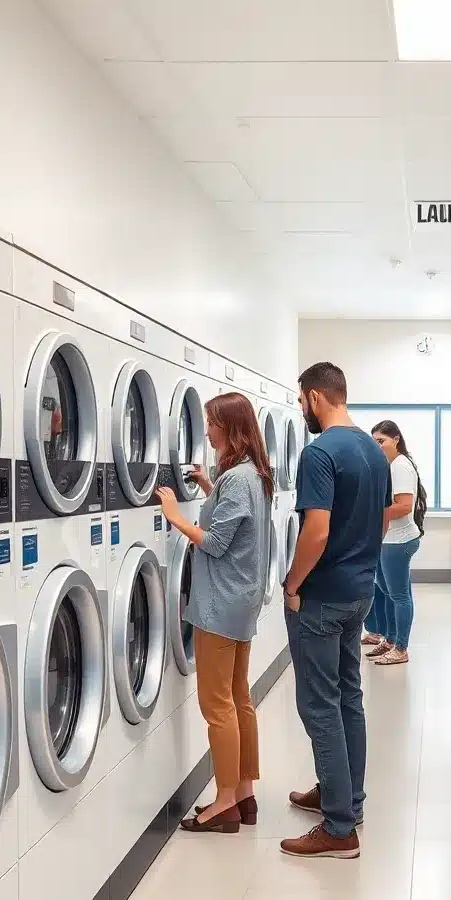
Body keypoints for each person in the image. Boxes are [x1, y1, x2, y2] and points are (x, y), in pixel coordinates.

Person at [280, 362, 391, 859]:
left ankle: (339, 828)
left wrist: (293, 581)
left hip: (322, 596)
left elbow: (317, 531)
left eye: (301, 400)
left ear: (314, 397)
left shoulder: (319, 451)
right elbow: (384, 519)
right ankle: (345, 796)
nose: (301, 408)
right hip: (359, 591)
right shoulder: (374, 448)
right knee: (348, 697)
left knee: (319, 704)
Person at [156, 392, 273, 833]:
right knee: (240, 698)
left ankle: (223, 801)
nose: (205, 431)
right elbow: (236, 524)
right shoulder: (252, 475)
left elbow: (217, 541)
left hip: (220, 605)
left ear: (229, 427)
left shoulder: (238, 480)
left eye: (210, 423)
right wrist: (208, 486)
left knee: (217, 704)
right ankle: (244, 794)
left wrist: (174, 515)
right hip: (241, 602)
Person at [362, 420, 425, 666]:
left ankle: (401, 648)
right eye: (374, 442)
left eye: (381, 441)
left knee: (398, 596)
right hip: (388, 538)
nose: (377, 447)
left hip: (398, 541)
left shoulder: (400, 466)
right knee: (388, 593)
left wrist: (369, 513)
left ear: (396, 439)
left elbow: (404, 507)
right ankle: (389, 640)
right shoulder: (389, 465)